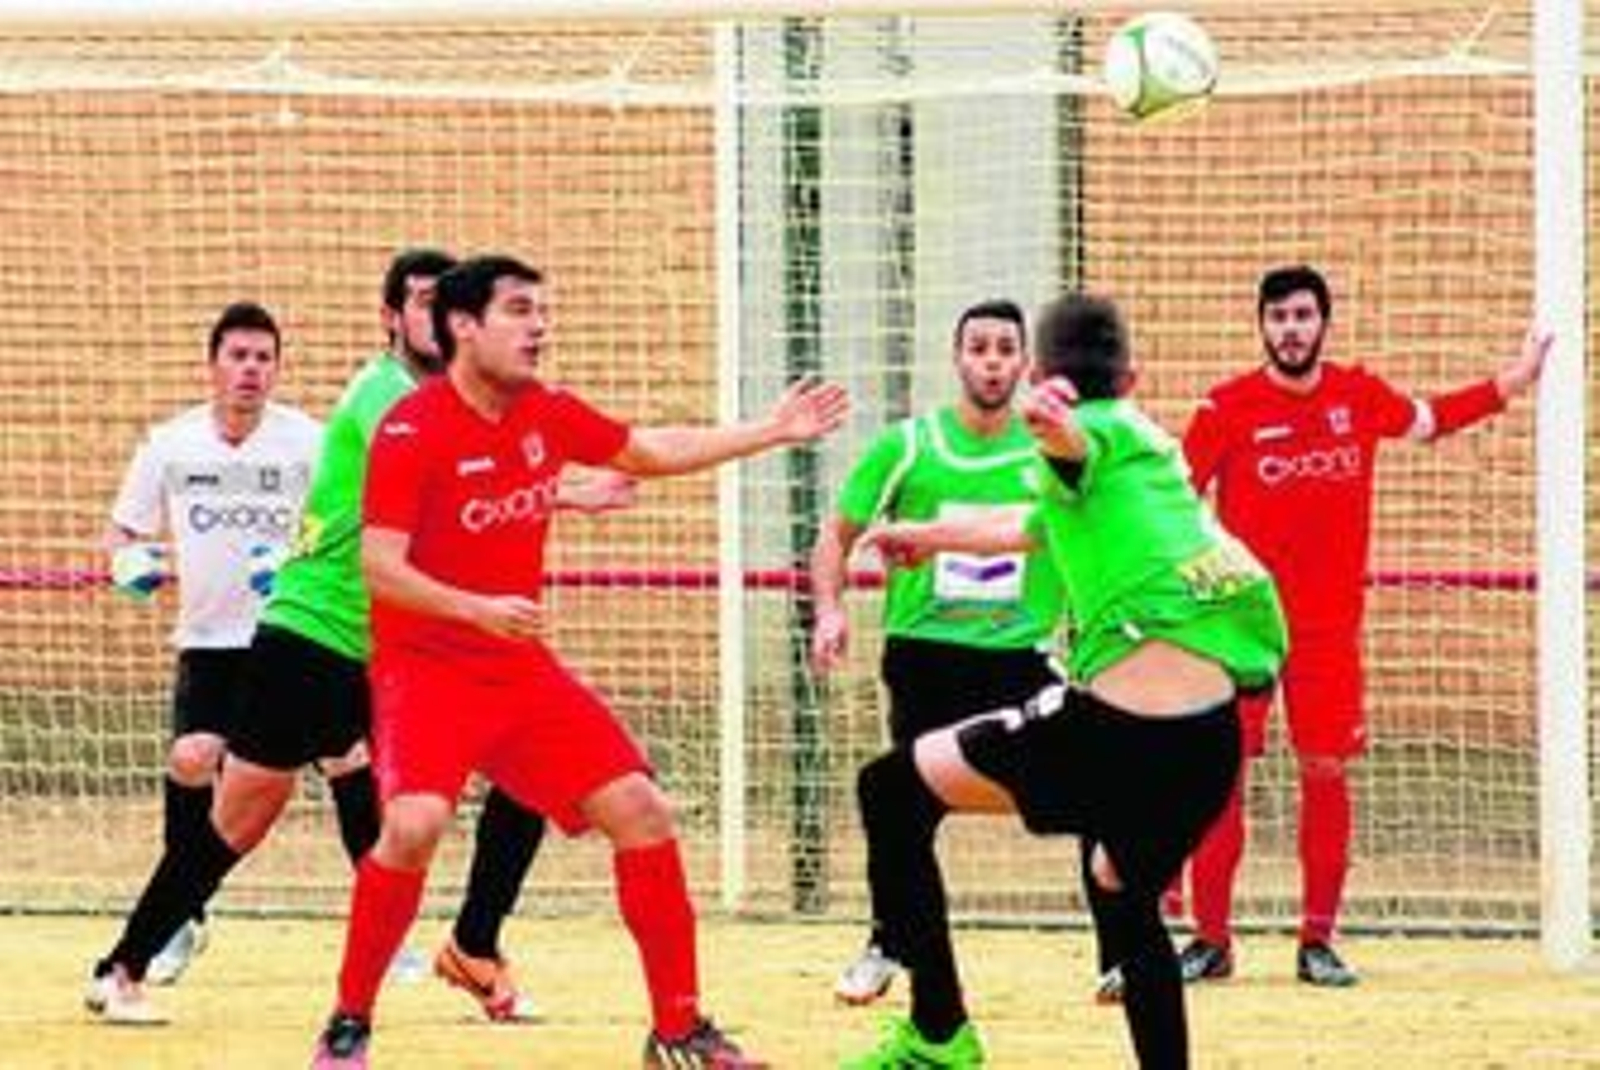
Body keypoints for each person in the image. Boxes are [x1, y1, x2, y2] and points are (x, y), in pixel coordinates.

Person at [308, 254, 846, 1070]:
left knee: (643, 812)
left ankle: (678, 1031)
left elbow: (650, 450)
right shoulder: (410, 427)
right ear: (463, 326)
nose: (540, 326)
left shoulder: (544, 413)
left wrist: (770, 430)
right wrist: (476, 608)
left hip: (518, 672)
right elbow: (381, 566)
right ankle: (349, 1021)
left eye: (543, 310)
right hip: (427, 673)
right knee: (413, 826)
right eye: (520, 309)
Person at [86, 250, 632, 1027]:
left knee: (525, 770)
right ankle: (127, 965)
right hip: (318, 633)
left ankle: (474, 944)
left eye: (445, 305)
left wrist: (572, 485)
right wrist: (575, 491)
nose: (434, 318)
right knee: (240, 817)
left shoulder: (456, 402)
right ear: (392, 320)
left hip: (397, 645)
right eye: (418, 303)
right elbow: (465, 482)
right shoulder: (389, 398)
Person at [841, 292, 1287, 1069]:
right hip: (1207, 743)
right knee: (1121, 886)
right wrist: (928, 534)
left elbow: (1070, 446)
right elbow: (1029, 523)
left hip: (1115, 740)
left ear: (1040, 374)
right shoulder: (1156, 460)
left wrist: (1047, 419)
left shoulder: (1088, 438)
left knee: (888, 790)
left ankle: (938, 1034)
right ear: (1136, 375)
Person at [1165, 264, 1549, 989]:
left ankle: (1317, 942)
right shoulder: (1224, 408)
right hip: (1239, 627)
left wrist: (1512, 382)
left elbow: (1431, 420)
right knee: (1221, 778)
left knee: (1327, 774)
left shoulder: (1358, 394)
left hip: (1327, 634)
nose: (1290, 329)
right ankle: (1210, 941)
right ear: (1262, 327)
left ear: (1323, 322)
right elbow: (1169, 509)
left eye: (1303, 315)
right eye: (1277, 317)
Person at [809, 299, 1065, 1006]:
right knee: (903, 808)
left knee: (1090, 792)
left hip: (1021, 656)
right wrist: (829, 610)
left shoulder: (1053, 452)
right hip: (925, 653)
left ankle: (1120, 952)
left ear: (1025, 363)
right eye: (978, 347)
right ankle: (890, 943)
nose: (991, 360)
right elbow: (835, 535)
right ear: (957, 359)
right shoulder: (910, 446)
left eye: (1005, 348)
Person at [105, 300, 323, 988]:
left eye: (264, 358)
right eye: (238, 356)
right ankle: (181, 919)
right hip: (210, 644)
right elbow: (121, 537)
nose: (251, 370)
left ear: (278, 369)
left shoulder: (309, 443)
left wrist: (293, 560)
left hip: (293, 637)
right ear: (213, 366)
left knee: (352, 759)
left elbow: (342, 528)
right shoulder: (170, 444)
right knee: (195, 759)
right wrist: (130, 565)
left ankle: (395, 930)